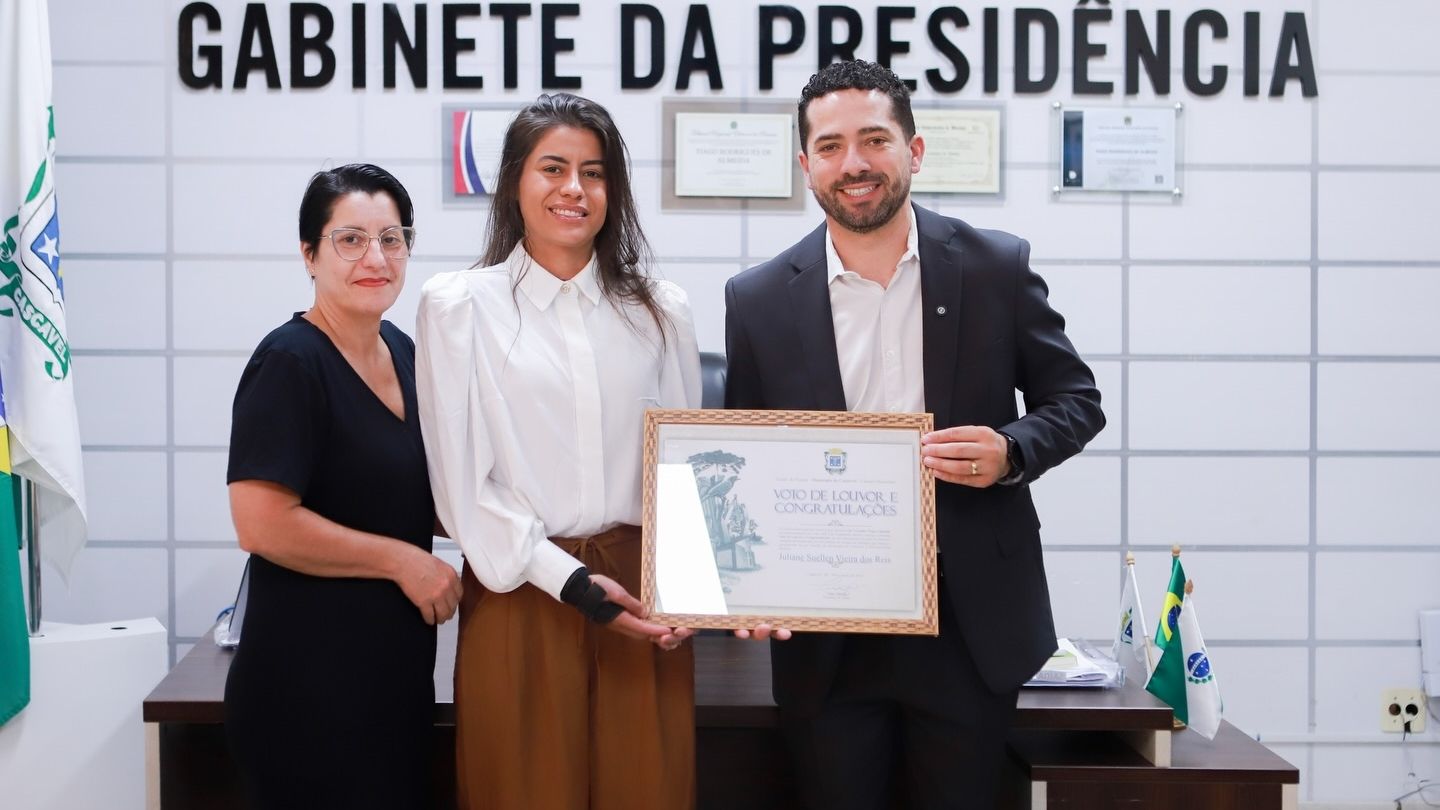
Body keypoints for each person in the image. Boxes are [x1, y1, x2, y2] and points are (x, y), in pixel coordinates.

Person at [723, 60, 1106, 809]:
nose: (854, 163)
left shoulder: (996, 266)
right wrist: (747, 587)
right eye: (830, 147)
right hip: (827, 629)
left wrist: (1011, 451)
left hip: (968, 622)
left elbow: (1077, 399)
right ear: (806, 165)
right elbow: (748, 454)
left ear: (914, 151)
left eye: (874, 140)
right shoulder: (758, 298)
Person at [415, 93, 701, 810]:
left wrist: (696, 590)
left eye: (594, 172)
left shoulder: (661, 309)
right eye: (553, 168)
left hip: (640, 599)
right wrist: (568, 581)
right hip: (522, 596)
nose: (575, 188)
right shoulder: (460, 307)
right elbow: (462, 490)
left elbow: (687, 469)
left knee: (650, 789)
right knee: (521, 789)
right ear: (515, 180)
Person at [225, 163, 463, 809]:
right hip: (307, 692)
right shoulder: (290, 361)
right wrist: (403, 561)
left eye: (392, 238)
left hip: (390, 683)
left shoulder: (404, 350)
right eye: (350, 239)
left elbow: (415, 492)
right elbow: (261, 522)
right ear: (309, 253)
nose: (375, 258)